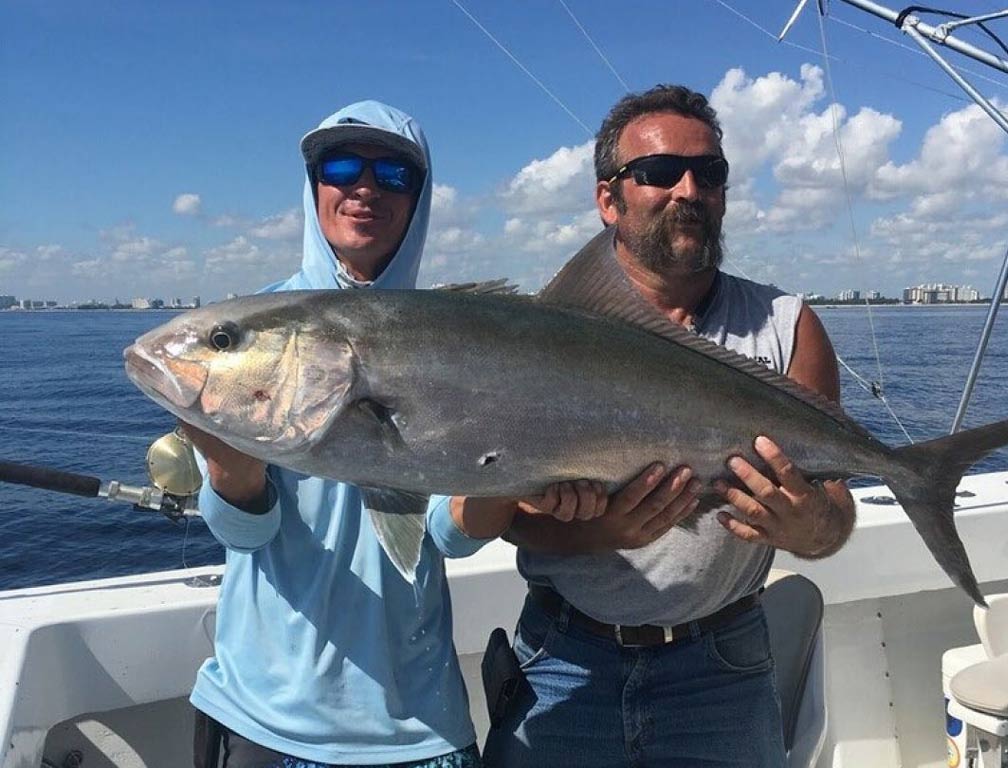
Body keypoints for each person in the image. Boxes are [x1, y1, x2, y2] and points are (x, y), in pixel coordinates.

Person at [482, 85, 858, 768]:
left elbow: (833, 517)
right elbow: (503, 514)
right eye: (658, 173)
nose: (688, 188)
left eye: (708, 172)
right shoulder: (542, 336)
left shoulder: (787, 327)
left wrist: (809, 528)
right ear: (608, 199)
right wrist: (592, 531)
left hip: (723, 667)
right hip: (564, 657)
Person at [183, 100, 546, 768]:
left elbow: (446, 534)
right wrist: (231, 475)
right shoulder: (252, 331)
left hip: (417, 724)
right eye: (342, 164)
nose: (365, 187)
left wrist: (520, 482)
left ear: (420, 198)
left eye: (394, 174)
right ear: (314, 184)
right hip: (264, 714)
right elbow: (246, 535)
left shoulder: (465, 336)